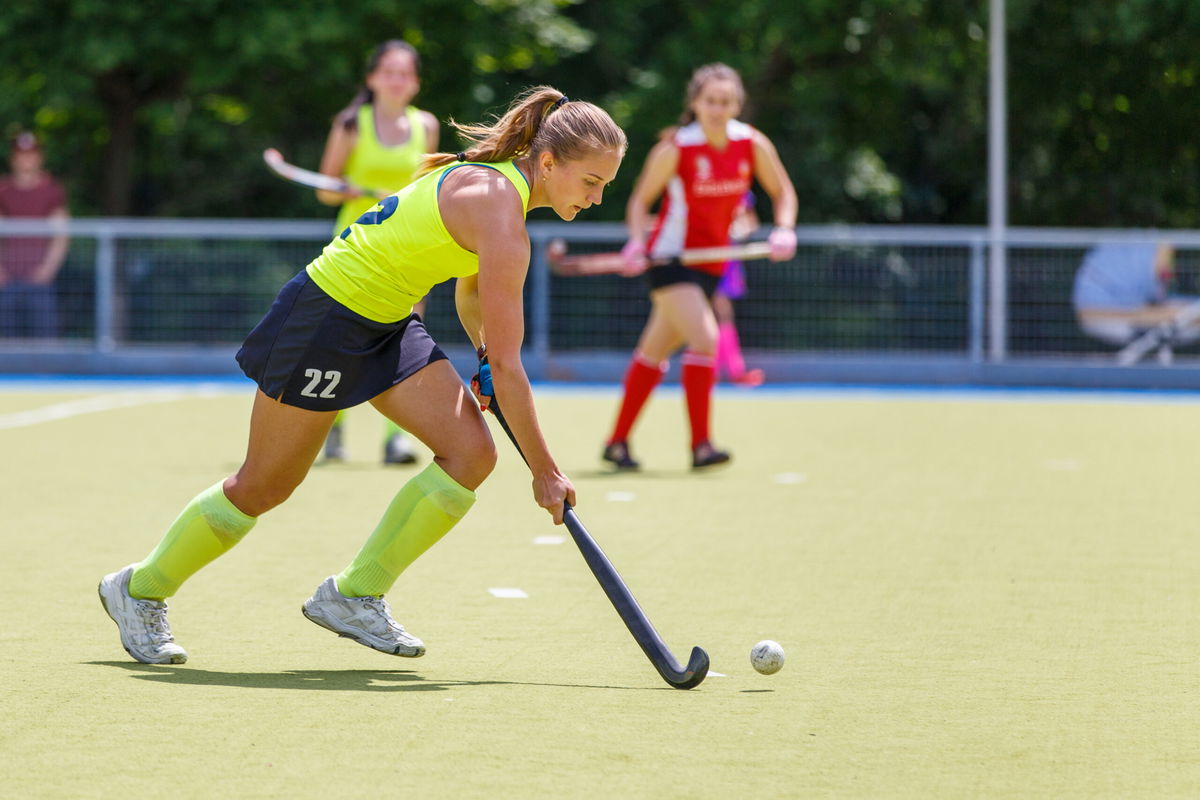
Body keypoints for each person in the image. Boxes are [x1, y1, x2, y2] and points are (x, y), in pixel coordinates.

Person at [98, 87, 626, 665]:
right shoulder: (499, 210)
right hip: (325, 316)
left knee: (471, 454)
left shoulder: (502, 194)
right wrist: (546, 471)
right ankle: (138, 589)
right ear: (548, 162)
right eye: (592, 182)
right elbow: (509, 363)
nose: (598, 198)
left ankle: (354, 595)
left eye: (605, 185)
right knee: (264, 485)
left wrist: (479, 359)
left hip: (388, 321)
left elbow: (474, 296)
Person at [603, 63, 797, 471]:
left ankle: (617, 443)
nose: (717, 108)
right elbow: (640, 202)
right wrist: (638, 241)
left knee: (653, 350)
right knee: (705, 339)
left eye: (726, 101)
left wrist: (784, 228)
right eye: (710, 101)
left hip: (711, 263)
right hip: (671, 260)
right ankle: (701, 446)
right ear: (695, 103)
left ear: (737, 105)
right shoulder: (676, 148)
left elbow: (782, 192)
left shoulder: (751, 144)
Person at [316, 40, 440, 465]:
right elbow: (324, 190)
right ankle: (330, 432)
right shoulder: (351, 123)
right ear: (372, 79)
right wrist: (346, 189)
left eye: (405, 73)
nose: (396, 81)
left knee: (403, 339)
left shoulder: (426, 126)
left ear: (416, 83)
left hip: (407, 247)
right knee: (339, 339)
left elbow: (429, 187)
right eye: (388, 72)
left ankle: (397, 439)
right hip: (353, 249)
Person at [1073, 241, 1200, 362]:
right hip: (1113, 312)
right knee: (1183, 314)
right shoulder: (1110, 297)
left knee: (1183, 312)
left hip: (1129, 311)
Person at [0, 131, 69, 339]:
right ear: (13, 158)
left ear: (39, 157)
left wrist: (48, 269)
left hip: (39, 279)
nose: (26, 159)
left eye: (31, 153)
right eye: (21, 154)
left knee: (45, 341)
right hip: (6, 279)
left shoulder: (51, 190)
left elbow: (61, 235)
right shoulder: (2, 190)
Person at [712, 191, 765, 386]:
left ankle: (721, 370)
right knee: (718, 314)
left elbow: (751, 221)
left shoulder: (741, 191)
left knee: (722, 314)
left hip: (728, 259)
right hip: (708, 255)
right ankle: (729, 370)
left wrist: (741, 229)